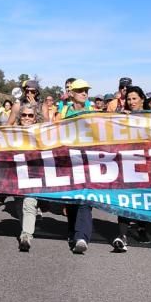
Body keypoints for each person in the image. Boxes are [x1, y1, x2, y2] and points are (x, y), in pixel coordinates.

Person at [112, 86, 151, 251]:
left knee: (143, 198)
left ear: (142, 99)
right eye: (129, 99)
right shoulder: (121, 116)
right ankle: (122, 234)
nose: (131, 102)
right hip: (126, 162)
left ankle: (142, 229)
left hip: (146, 162)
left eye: (134, 98)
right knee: (125, 197)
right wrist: (120, 119)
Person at [58, 79, 94, 254]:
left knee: (85, 199)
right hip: (68, 162)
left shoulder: (93, 113)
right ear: (71, 93)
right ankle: (73, 232)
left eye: (86, 90)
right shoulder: (63, 112)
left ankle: (82, 237)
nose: (84, 93)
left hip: (87, 161)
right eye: (80, 90)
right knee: (71, 200)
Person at [16, 102, 42, 252]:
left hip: (33, 173)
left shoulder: (42, 133)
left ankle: (26, 236)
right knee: (19, 204)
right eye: (24, 115)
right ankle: (25, 228)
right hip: (16, 175)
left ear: (35, 118)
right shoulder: (11, 132)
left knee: (30, 202)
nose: (26, 118)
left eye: (30, 115)